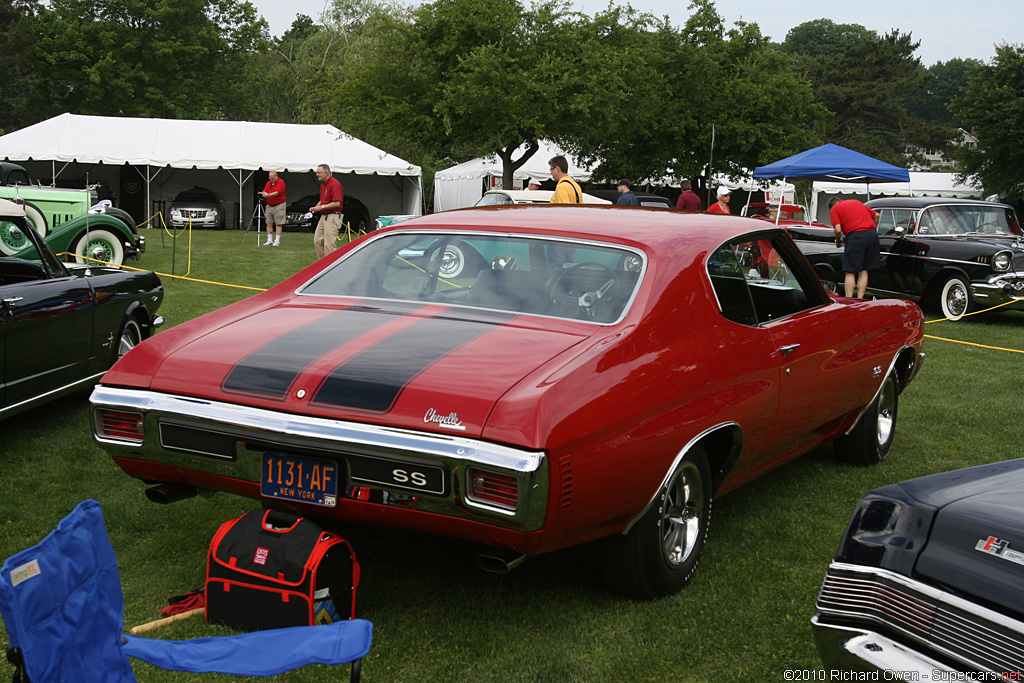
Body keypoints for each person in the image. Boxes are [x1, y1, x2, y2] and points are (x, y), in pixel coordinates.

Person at [830, 196, 880, 299]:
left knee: (850, 270)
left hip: (856, 236)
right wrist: (871, 229)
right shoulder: (856, 202)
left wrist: (838, 241)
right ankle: (860, 299)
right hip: (872, 235)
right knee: (864, 269)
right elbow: (876, 215)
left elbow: (838, 230)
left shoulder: (835, 209)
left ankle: (849, 298)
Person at [310, 164, 344, 259]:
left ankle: (331, 267)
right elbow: (323, 200)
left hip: (333, 216)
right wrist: (316, 207)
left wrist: (322, 207)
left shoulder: (335, 184)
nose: (317, 174)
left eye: (319, 173)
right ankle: (322, 265)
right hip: (324, 216)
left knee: (329, 244)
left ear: (326, 173)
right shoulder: (323, 185)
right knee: (318, 240)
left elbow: (337, 203)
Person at [259, 170, 287, 247]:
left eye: (272, 177)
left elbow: (278, 192)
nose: (271, 179)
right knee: (269, 223)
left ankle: (277, 241)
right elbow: (265, 190)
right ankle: (269, 240)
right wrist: (263, 193)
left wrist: (269, 195)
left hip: (279, 205)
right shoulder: (269, 183)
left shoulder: (281, 182)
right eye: (269, 177)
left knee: (278, 223)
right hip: (270, 205)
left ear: (276, 176)